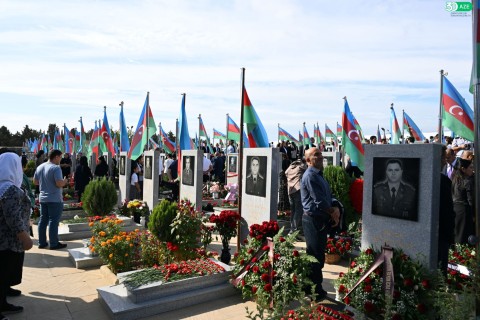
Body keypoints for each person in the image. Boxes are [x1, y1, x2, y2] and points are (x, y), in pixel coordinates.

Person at [301, 147, 340, 301]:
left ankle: (311, 286)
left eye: (320, 154)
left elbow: (327, 196)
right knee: (315, 256)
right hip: (313, 220)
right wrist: (333, 212)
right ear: (308, 160)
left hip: (320, 220)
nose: (320, 157)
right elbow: (319, 201)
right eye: (316, 155)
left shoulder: (319, 175)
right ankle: (314, 290)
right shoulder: (310, 176)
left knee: (317, 255)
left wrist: (335, 207)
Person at [0, 152, 34, 317]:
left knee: (4, 270)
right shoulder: (10, 189)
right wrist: (25, 237)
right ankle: (1, 304)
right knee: (4, 269)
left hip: (3, 238)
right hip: (8, 240)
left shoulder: (3, 186)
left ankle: (5, 291)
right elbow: (12, 216)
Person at [34, 149, 68, 250]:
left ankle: (42, 242)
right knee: (53, 221)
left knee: (43, 220)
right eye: (60, 157)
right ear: (56, 157)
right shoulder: (56, 168)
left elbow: (35, 182)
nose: (61, 160)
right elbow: (59, 183)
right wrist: (64, 181)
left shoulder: (40, 166)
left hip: (43, 198)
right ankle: (53, 243)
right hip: (54, 198)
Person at [439, 146, 455, 273]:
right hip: (441, 234)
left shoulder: (445, 180)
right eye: (443, 158)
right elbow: (448, 212)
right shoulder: (443, 181)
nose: (445, 161)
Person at [452, 158, 475, 244]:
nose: (472, 170)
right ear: (463, 169)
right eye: (470, 167)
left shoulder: (455, 180)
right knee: (464, 237)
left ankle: (457, 255)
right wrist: (474, 214)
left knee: (457, 236)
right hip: (465, 211)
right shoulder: (467, 181)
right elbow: (470, 200)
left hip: (455, 210)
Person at [285, 158, 307, 237]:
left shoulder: (290, 168)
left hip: (290, 191)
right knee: (298, 211)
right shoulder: (301, 167)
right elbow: (306, 170)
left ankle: (292, 229)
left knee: (293, 211)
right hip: (298, 190)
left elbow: (285, 173)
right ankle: (294, 230)